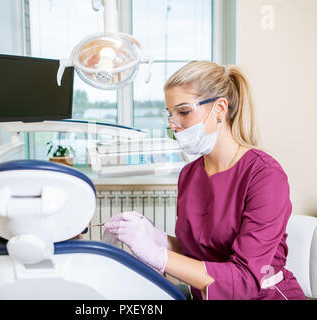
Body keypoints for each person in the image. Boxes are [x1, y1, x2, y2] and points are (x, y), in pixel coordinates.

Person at [104, 61, 306, 300]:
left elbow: (245, 280)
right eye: (170, 114)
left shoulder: (264, 175)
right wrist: (157, 239)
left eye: (184, 112)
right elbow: (203, 255)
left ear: (220, 108)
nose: (173, 124)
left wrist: (160, 255)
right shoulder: (189, 174)